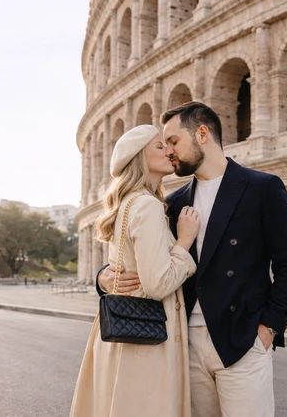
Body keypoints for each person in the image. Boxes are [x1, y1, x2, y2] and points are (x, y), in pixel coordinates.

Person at [98, 102, 287, 417]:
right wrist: (103, 277)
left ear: (203, 134)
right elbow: (142, 256)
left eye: (173, 141)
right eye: (163, 144)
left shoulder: (261, 188)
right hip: (182, 343)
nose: (169, 151)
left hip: (242, 339)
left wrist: (268, 330)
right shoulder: (171, 202)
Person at [70, 124, 200, 417]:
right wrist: (184, 242)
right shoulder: (147, 206)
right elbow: (157, 285)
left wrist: (104, 276)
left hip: (124, 332)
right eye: (158, 146)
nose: (168, 150)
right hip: (149, 339)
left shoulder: (129, 204)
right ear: (139, 158)